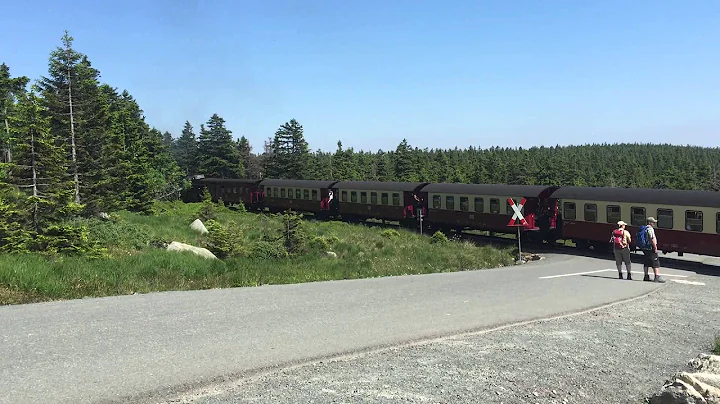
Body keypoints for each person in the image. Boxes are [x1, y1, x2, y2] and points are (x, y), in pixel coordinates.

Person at [641, 217, 665, 283]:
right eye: (653, 222)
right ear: (649, 222)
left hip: (645, 248)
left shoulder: (644, 229)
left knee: (646, 262)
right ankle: (657, 277)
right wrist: (655, 248)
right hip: (650, 248)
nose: (654, 223)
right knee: (655, 262)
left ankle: (646, 276)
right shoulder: (650, 229)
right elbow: (652, 239)